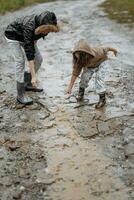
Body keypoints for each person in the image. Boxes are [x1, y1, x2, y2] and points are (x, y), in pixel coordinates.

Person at [5, 11, 59, 105]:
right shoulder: (29, 27)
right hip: (13, 36)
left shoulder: (45, 24)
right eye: (47, 30)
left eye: (49, 31)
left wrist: (32, 44)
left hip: (27, 39)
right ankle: (20, 95)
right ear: (41, 27)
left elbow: (34, 40)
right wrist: (34, 76)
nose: (47, 33)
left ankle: (28, 83)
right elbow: (29, 54)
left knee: (39, 59)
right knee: (20, 61)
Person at [67, 39, 118, 108]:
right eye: (76, 54)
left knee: (99, 79)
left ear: (86, 54)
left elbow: (107, 48)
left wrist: (114, 50)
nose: (77, 56)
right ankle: (81, 93)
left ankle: (102, 99)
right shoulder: (78, 60)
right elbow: (75, 74)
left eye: (80, 55)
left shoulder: (98, 52)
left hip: (102, 63)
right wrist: (70, 88)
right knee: (84, 77)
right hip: (89, 66)